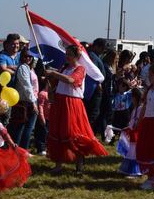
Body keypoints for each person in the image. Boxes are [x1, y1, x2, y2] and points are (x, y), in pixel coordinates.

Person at [45, 45, 108, 174]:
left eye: (70, 54)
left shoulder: (80, 69)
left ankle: (79, 164)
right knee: (57, 132)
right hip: (60, 101)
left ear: (77, 56)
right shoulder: (64, 68)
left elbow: (71, 80)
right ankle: (58, 165)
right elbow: (57, 83)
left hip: (72, 104)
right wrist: (50, 79)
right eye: (66, 54)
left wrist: (54, 73)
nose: (67, 56)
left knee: (73, 134)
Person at [11, 49, 38, 150]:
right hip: (25, 101)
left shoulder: (30, 68)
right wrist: (33, 102)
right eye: (25, 56)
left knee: (27, 128)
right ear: (21, 57)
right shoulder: (23, 67)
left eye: (30, 56)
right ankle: (19, 150)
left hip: (31, 99)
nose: (28, 58)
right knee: (22, 128)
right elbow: (27, 86)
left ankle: (23, 150)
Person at [117, 87, 143, 178]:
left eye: (132, 97)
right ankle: (131, 170)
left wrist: (132, 127)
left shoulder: (140, 109)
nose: (131, 99)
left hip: (137, 134)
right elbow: (132, 121)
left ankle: (135, 172)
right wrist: (128, 128)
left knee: (133, 153)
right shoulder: (135, 108)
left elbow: (138, 121)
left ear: (136, 98)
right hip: (133, 133)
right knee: (131, 152)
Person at [84, 38, 107, 135]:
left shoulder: (96, 56)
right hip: (94, 90)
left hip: (94, 89)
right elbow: (91, 72)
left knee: (94, 113)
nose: (103, 51)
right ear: (96, 46)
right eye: (102, 48)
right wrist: (98, 83)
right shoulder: (92, 56)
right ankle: (88, 134)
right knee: (93, 113)